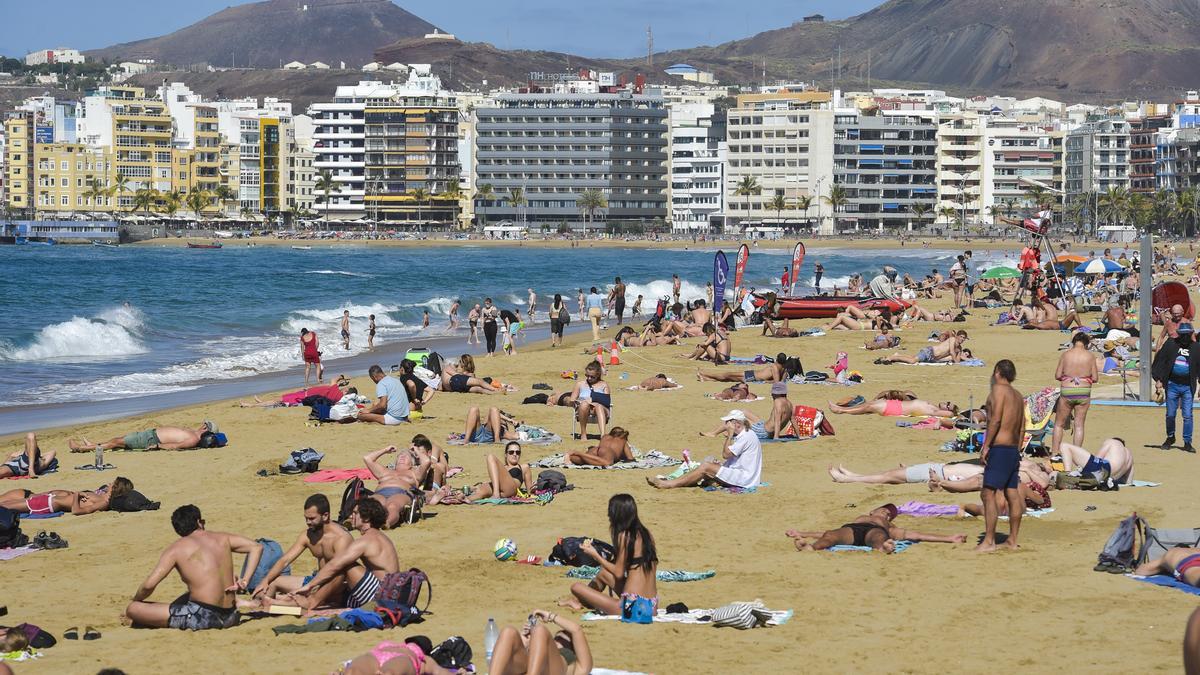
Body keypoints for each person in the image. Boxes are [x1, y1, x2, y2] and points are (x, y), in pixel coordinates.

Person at [124, 505, 264, 630]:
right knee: (187, 596)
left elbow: (149, 586)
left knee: (133, 608)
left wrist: (136, 600)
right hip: (231, 616)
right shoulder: (222, 538)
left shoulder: (176, 548)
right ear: (199, 522)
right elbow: (256, 547)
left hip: (203, 618)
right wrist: (245, 580)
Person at [243, 494, 355, 613]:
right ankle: (258, 605)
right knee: (273, 581)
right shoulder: (308, 535)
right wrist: (265, 581)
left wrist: (312, 587)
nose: (308, 522)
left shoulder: (341, 538)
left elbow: (339, 573)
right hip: (314, 582)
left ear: (325, 516)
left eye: (312, 518)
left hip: (335, 588)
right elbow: (284, 560)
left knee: (337, 576)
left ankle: (282, 602)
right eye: (306, 518)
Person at [562, 493, 658, 618]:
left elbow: (618, 573)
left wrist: (595, 555)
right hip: (652, 607)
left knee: (576, 587)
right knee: (604, 573)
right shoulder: (646, 534)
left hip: (633, 608)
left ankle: (577, 601)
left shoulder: (624, 536)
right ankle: (578, 602)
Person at [292, 499, 399, 609]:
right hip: (390, 595)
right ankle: (310, 600)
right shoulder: (377, 536)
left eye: (355, 513)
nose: (351, 516)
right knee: (337, 592)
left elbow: (336, 564)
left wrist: (310, 585)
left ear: (366, 518)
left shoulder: (367, 540)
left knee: (344, 565)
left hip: (382, 597)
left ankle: (311, 602)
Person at [977, 359, 1025, 553]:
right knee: (1012, 493)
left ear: (997, 372)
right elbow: (1022, 427)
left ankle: (989, 541)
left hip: (1000, 448)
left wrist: (986, 446)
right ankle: (1012, 540)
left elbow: (995, 419)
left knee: (987, 493)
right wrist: (1018, 450)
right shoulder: (1018, 395)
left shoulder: (998, 391)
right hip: (1013, 449)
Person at [647, 410, 761, 490]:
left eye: (728, 422)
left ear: (736, 423)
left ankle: (669, 484)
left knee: (706, 466)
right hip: (741, 474)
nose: (726, 425)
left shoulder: (745, 436)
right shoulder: (745, 434)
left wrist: (730, 435)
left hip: (744, 479)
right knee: (709, 461)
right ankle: (676, 481)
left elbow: (726, 454)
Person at [785, 504, 966, 553]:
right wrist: (802, 533)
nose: (886, 515)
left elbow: (917, 535)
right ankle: (812, 548)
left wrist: (949, 538)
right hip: (853, 529)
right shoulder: (862, 517)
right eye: (884, 511)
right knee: (831, 535)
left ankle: (882, 547)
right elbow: (824, 532)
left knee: (878, 536)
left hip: (875, 531)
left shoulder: (888, 527)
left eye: (889, 515)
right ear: (873, 511)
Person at [488, 610, 594, 675]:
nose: (559, 638)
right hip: (529, 668)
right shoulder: (539, 644)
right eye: (557, 637)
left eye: (565, 637)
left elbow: (576, 630)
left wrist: (550, 616)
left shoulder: (580, 667)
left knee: (539, 630)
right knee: (509, 632)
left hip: (552, 672)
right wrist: (525, 640)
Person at [1152, 322, 1199, 453]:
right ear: (1179, 334)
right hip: (1172, 384)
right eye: (1182, 335)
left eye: (1187, 335)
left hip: (1188, 386)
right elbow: (1160, 361)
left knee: (1188, 415)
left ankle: (1187, 442)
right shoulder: (1171, 344)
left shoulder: (1196, 348)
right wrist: (1159, 379)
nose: (1184, 338)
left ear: (1191, 334)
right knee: (1170, 414)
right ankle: (1170, 437)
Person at [1054, 333, 1099, 454]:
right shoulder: (1090, 356)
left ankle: (1055, 453)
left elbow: (1057, 375)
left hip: (1067, 390)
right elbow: (1095, 378)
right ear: (1086, 344)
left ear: (1073, 342)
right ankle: (1077, 453)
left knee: (1059, 424)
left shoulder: (1066, 355)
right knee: (1079, 425)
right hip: (1083, 391)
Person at [364, 445, 430, 528]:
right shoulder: (385, 471)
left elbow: (426, 461)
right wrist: (385, 450)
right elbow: (367, 458)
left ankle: (386, 523)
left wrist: (416, 450)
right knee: (372, 505)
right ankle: (356, 521)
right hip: (380, 493)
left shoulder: (414, 473)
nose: (402, 457)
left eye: (406, 456)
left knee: (393, 506)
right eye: (400, 456)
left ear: (412, 463)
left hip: (401, 493)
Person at [0, 476, 133, 516]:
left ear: (115, 487)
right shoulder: (102, 495)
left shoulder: (104, 502)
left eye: (112, 483)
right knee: (6, 504)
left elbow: (77, 511)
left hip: (47, 504)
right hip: (47, 500)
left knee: (5, 507)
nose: (109, 483)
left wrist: (76, 495)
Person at [340, 635, 462, 675]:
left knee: (353, 670)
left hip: (377, 654)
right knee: (390, 672)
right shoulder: (424, 658)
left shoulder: (389, 643)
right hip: (404, 659)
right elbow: (439, 672)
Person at [69, 422, 220, 453]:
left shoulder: (194, 438)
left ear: (206, 428)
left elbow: (175, 446)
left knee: (116, 442)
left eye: (204, 423)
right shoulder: (193, 432)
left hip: (151, 440)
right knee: (117, 441)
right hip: (150, 435)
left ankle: (82, 448)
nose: (201, 423)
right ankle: (93, 444)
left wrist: (158, 446)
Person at [1058, 438, 1134, 484]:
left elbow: (1098, 458)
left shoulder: (1113, 442)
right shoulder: (1130, 456)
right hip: (1108, 477)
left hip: (1102, 468)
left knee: (1064, 446)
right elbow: (1128, 481)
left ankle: (1066, 475)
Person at [569, 361, 611, 440]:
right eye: (587, 375)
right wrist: (579, 401)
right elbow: (572, 401)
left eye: (592, 376)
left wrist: (593, 400)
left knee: (598, 406)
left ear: (598, 375)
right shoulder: (580, 384)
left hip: (601, 409)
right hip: (584, 409)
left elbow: (607, 401)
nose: (589, 378)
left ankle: (603, 435)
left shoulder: (604, 384)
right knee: (584, 404)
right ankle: (583, 434)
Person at [875, 331, 967, 365]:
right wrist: (956, 358)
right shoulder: (952, 339)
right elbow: (951, 351)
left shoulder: (959, 348)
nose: (962, 339)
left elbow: (957, 361)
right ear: (957, 336)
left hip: (932, 358)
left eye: (964, 338)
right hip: (929, 351)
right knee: (912, 361)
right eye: (961, 337)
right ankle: (891, 358)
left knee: (912, 358)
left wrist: (963, 357)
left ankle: (897, 355)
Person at [1134, 546, 1200, 588]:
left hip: (1189, 562)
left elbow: (1141, 571)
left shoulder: (1172, 551)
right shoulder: (1196, 549)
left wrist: (1164, 567)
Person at [828, 397, 959, 418]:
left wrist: (954, 413)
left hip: (897, 409)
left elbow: (951, 415)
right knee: (869, 404)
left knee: (869, 406)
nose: (946, 404)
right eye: (948, 402)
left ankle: (840, 410)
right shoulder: (933, 406)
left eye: (948, 406)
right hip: (896, 405)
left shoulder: (935, 411)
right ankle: (842, 409)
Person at [567, 427, 634, 467]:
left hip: (596, 449)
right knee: (607, 463)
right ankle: (579, 453)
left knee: (582, 460)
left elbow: (601, 449)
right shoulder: (623, 441)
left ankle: (572, 456)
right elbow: (630, 458)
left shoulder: (605, 436)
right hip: (608, 452)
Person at [697, 356, 789, 383]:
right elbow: (783, 380)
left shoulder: (774, 367)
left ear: (777, 359)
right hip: (752, 376)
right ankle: (705, 379)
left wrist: (766, 381)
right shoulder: (784, 369)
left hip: (752, 376)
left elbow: (777, 382)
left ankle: (705, 374)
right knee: (729, 379)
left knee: (727, 375)